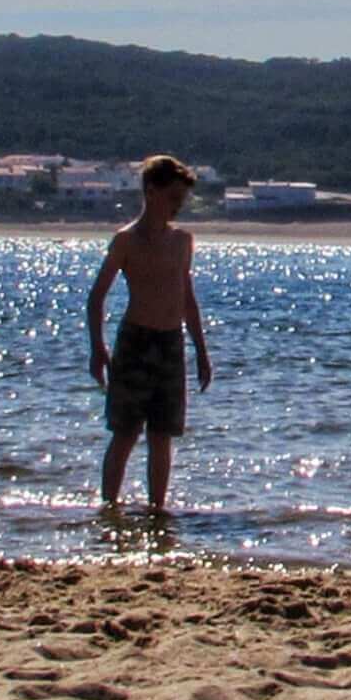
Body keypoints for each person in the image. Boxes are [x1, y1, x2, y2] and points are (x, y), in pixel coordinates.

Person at [86, 154, 212, 511]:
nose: (177, 206)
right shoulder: (126, 240)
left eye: (182, 200)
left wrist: (201, 351)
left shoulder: (182, 241)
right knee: (125, 433)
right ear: (152, 192)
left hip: (171, 343)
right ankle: (109, 508)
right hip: (136, 342)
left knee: (162, 435)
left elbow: (186, 297)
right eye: (173, 198)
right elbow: (96, 298)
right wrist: (98, 349)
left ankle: (157, 510)